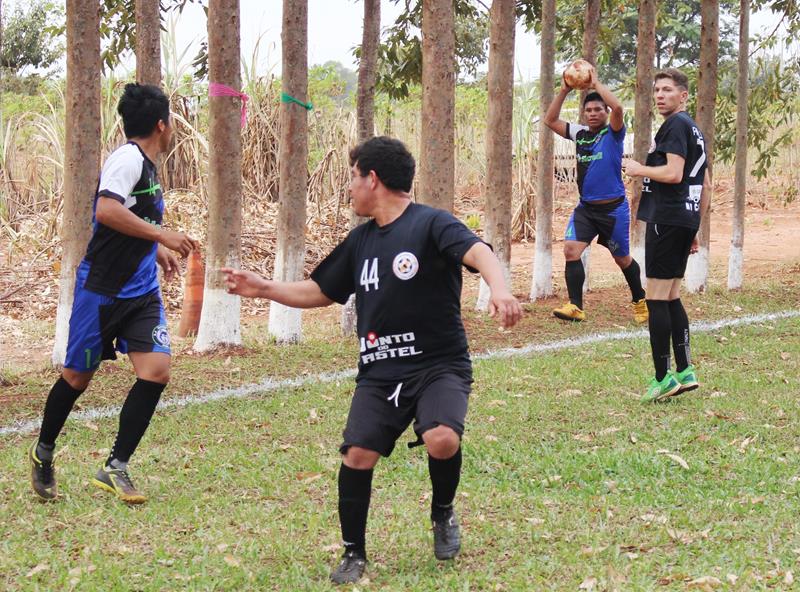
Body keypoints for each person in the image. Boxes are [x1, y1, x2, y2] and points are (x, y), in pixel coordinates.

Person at [222, 136, 522, 585]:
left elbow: (479, 252)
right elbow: (320, 291)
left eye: (353, 177)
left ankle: (442, 513)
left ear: (373, 179)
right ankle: (353, 552)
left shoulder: (432, 224)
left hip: (438, 365)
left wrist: (500, 288)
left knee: (442, 438)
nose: (350, 188)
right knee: (358, 455)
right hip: (380, 372)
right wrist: (263, 286)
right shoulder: (360, 241)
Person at [29, 83, 199, 503]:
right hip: (102, 292)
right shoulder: (127, 159)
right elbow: (106, 210)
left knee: (156, 371)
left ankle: (115, 466)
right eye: (172, 119)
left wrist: (153, 248)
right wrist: (163, 234)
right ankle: (43, 451)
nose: (173, 125)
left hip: (141, 292)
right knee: (76, 377)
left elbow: (130, 216)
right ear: (162, 125)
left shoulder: (148, 163)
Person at [623, 68, 711, 402]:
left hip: (667, 218)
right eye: (657, 90)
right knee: (671, 295)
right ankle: (685, 370)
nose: (660, 95)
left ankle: (662, 378)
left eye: (667, 90)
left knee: (657, 297)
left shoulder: (676, 125)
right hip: (683, 219)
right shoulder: (694, 131)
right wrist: (694, 227)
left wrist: (638, 169)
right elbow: (707, 185)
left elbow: (674, 174)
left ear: (683, 95)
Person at [544, 65, 647, 323]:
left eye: (597, 109)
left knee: (622, 259)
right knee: (570, 250)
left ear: (605, 112)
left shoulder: (612, 133)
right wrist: (565, 89)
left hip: (613, 211)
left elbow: (619, 109)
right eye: (588, 110)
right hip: (586, 209)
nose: (592, 114)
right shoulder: (579, 134)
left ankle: (640, 300)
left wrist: (595, 84)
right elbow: (550, 120)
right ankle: (575, 306)